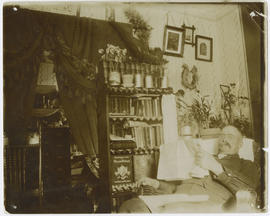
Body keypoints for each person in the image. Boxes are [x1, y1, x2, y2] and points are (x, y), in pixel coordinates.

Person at [119, 125, 260, 213]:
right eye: (221, 135)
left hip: (206, 206)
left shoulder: (246, 165)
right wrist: (156, 184)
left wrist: (216, 168)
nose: (223, 139)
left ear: (241, 143)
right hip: (176, 199)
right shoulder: (202, 157)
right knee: (131, 206)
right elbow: (179, 188)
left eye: (229, 136)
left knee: (174, 210)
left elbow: (249, 191)